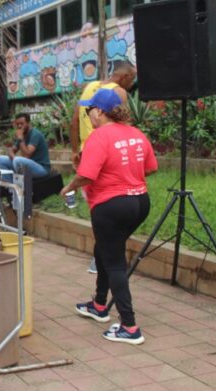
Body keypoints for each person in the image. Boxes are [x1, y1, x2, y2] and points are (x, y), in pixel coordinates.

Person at [61, 88, 158, 345]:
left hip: (111, 206)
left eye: (89, 109)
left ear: (100, 112)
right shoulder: (136, 134)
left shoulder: (99, 136)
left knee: (114, 261)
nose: (88, 114)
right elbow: (151, 167)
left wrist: (69, 187)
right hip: (139, 202)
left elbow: (86, 175)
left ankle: (129, 326)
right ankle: (99, 304)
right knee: (104, 248)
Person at [69, 61, 137, 274]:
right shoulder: (118, 92)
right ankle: (106, 258)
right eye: (132, 79)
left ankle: (99, 258)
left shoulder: (89, 87)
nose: (132, 84)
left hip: (86, 154)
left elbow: (73, 122)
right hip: (107, 155)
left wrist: (74, 151)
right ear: (124, 76)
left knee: (97, 209)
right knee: (116, 205)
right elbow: (124, 126)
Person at [0, 113, 50, 179]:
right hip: (27, 165)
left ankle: (20, 184)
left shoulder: (35, 134)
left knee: (18, 160)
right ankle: (12, 186)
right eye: (17, 124)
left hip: (41, 168)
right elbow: (12, 151)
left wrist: (20, 139)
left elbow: (27, 155)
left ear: (28, 123)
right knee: (0, 159)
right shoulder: (22, 134)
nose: (19, 126)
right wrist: (10, 149)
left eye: (22, 123)